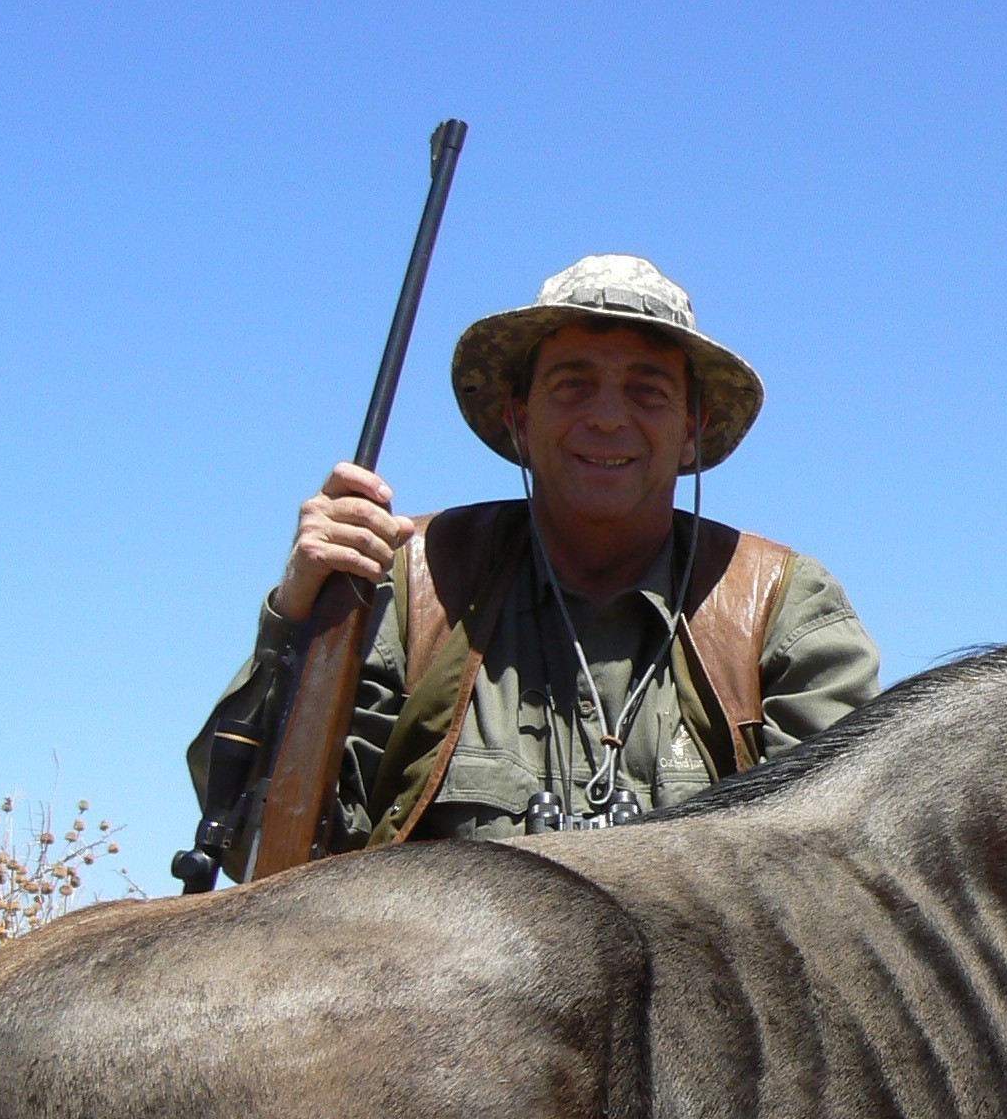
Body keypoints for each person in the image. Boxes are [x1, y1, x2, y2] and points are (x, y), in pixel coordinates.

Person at [189, 255, 879, 872]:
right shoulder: (412, 582)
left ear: (692, 431)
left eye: (647, 391)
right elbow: (264, 852)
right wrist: (298, 614)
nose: (607, 417)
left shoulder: (783, 605)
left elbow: (836, 883)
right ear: (521, 419)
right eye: (572, 385)